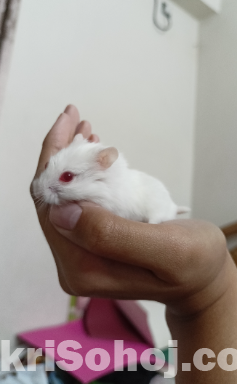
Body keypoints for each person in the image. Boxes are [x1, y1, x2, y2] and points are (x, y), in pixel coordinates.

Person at [30, 104, 237, 383]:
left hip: (156, 207)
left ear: (104, 163)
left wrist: (211, 292)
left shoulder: (121, 190)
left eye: (66, 178)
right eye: (49, 172)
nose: (45, 187)